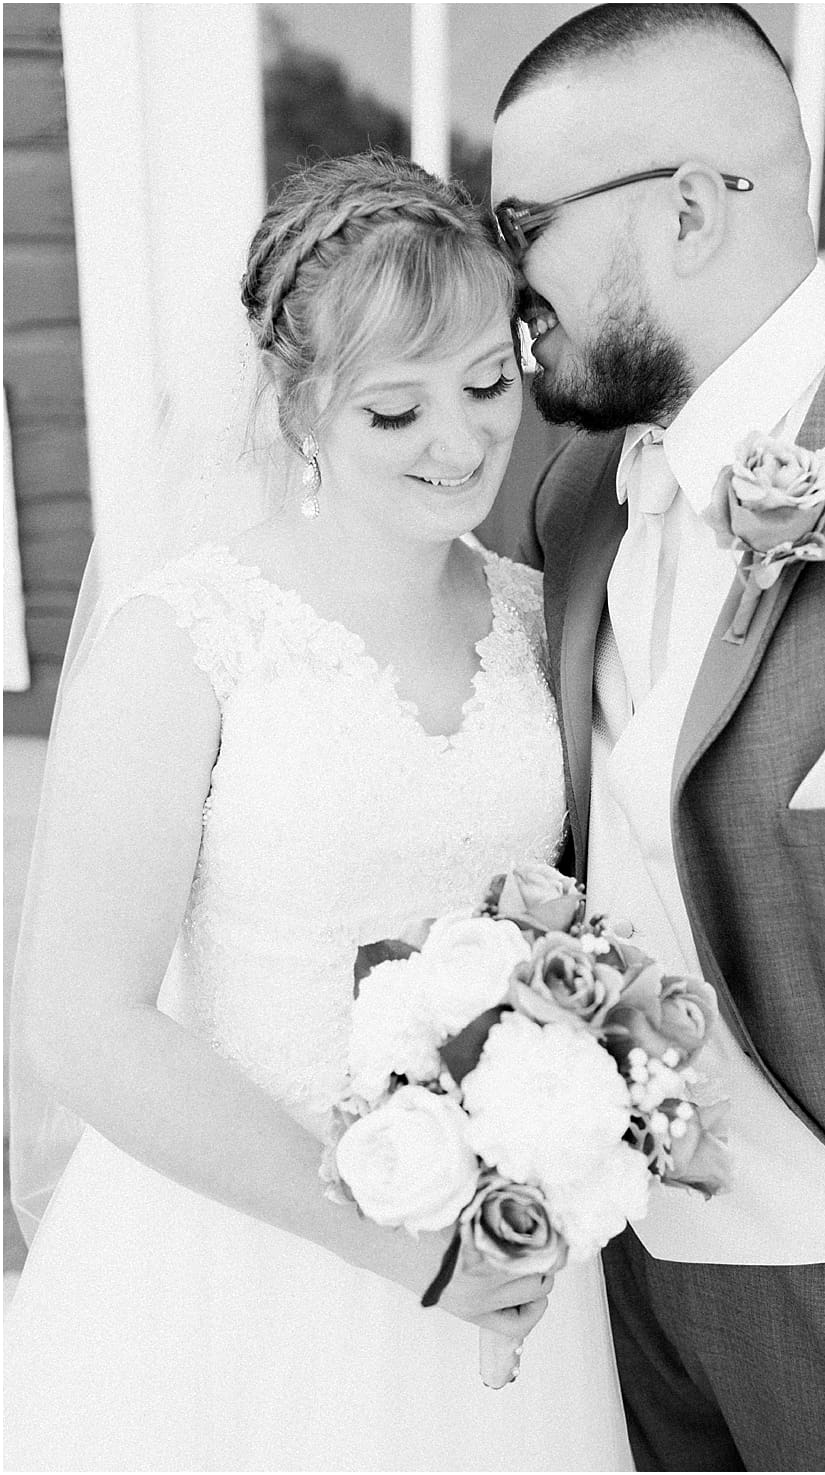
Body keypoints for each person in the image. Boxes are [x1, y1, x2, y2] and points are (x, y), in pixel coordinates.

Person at [4, 152, 632, 1471]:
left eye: (481, 385)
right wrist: (400, 1247)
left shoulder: (535, 616)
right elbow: (80, 1018)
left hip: (504, 1240)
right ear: (296, 407)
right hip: (240, 1252)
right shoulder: (182, 641)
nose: (459, 443)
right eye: (394, 412)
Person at [489, 5, 825, 1470]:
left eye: (522, 223)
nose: (503, 280)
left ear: (689, 210)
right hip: (615, 1290)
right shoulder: (572, 499)